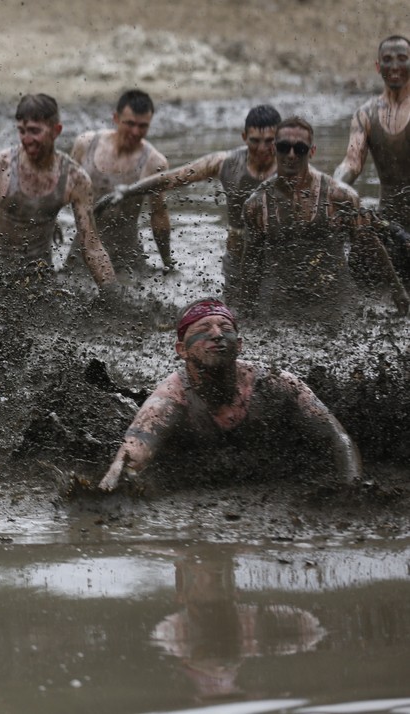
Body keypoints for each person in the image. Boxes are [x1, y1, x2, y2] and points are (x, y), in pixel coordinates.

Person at [99, 299, 362, 493]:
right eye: (203, 329)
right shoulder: (170, 398)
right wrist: (107, 490)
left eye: (225, 327)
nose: (216, 334)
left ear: (239, 344)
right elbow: (133, 452)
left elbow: (337, 438)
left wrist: (352, 488)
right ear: (181, 349)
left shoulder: (276, 384)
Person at [97, 105, 282, 300]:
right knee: (235, 312)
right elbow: (173, 178)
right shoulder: (225, 163)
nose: (262, 148)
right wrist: (129, 191)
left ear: (279, 140)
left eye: (269, 141)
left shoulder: (290, 170)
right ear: (244, 137)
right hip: (236, 258)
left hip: (273, 259)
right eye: (255, 141)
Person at [239, 116, 409, 321]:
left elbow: (369, 244)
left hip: (336, 304)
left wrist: (398, 293)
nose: (291, 155)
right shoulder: (256, 205)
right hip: (282, 309)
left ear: (311, 151)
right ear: (274, 149)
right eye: (284, 147)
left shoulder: (340, 197)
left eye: (300, 148)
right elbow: (251, 267)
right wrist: (245, 315)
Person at [0, 93, 117, 289]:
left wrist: (113, 295)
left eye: (34, 131)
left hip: (40, 277)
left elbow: (92, 246)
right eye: (22, 131)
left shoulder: (74, 179)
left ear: (56, 130)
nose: (26, 139)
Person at [66, 89, 172, 277]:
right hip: (83, 250)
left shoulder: (154, 163)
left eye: (143, 126)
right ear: (116, 118)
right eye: (130, 124)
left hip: (126, 257)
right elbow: (63, 189)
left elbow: (159, 215)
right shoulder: (86, 145)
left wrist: (168, 264)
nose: (135, 132)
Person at [334, 36, 410, 227]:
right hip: (387, 220)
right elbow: (352, 163)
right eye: (387, 59)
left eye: (402, 58)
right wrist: (335, 187)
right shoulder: (365, 114)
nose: (394, 66)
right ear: (378, 67)